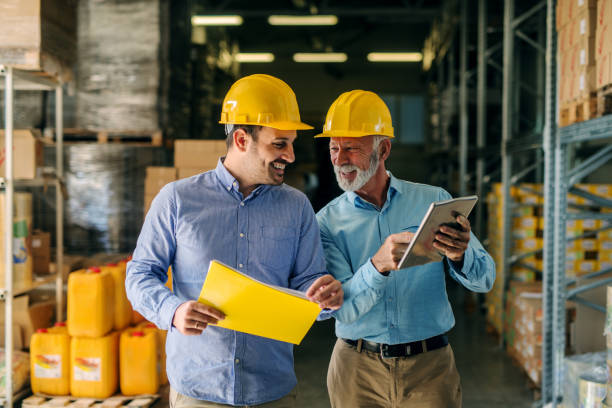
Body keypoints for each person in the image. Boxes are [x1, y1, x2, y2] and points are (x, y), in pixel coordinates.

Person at [126, 74, 343, 407]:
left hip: (273, 391)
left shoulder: (297, 207)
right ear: (241, 139)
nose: (291, 156)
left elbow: (307, 281)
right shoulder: (177, 200)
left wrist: (323, 294)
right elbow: (140, 273)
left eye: (292, 143)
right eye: (279, 144)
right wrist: (173, 310)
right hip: (199, 390)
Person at [315, 90, 495, 408]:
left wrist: (460, 254)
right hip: (357, 371)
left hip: (430, 368)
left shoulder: (433, 200)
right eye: (334, 148)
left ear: (383, 149)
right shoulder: (326, 222)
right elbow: (342, 308)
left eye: (352, 149)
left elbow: (486, 280)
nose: (340, 159)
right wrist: (378, 265)